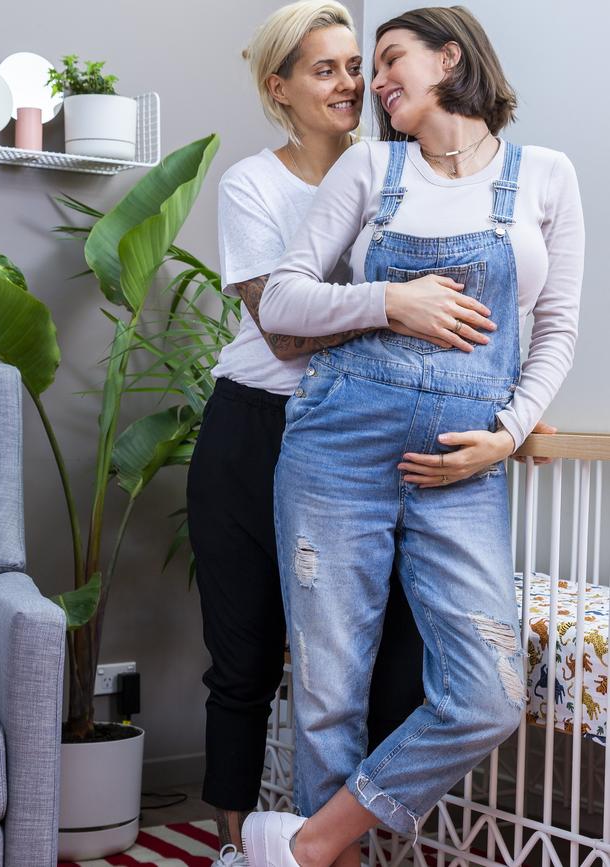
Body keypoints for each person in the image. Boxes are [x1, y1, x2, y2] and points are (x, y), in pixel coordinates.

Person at [241, 6, 585, 867]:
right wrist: (390, 300)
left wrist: (506, 436)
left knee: (487, 694)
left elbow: (558, 329)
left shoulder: (544, 175)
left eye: (391, 60)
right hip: (336, 447)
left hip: (461, 465)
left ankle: (304, 843)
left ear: (451, 59)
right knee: (328, 694)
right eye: (370, 64)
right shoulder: (369, 167)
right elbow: (280, 301)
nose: (374, 81)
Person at [186, 2, 493, 862]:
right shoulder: (255, 184)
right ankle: (237, 845)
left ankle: (318, 840)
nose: (353, 85)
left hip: (361, 432)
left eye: (358, 66)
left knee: (393, 660)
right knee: (245, 662)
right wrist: (393, 305)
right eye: (326, 71)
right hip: (258, 428)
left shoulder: (398, 170)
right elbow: (283, 333)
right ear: (279, 90)